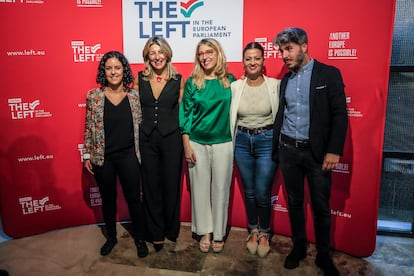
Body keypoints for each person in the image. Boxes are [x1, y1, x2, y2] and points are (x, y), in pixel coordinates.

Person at [272, 28, 348, 275]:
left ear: (304, 46)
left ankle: (324, 255)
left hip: (317, 155)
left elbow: (339, 115)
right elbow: (282, 115)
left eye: (289, 49)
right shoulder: (286, 80)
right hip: (289, 151)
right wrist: (278, 150)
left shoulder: (329, 74)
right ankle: (299, 247)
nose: (284, 55)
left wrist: (334, 151)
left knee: (320, 205)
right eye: (282, 50)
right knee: (294, 203)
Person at [83, 51, 148, 258]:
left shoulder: (134, 97)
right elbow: (87, 127)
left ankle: (139, 238)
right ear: (104, 71)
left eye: (117, 68)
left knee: (134, 199)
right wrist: (87, 154)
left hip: (129, 155)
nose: (113, 72)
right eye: (109, 68)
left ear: (124, 70)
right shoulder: (94, 96)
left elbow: (140, 127)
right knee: (108, 199)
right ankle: (111, 237)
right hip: (104, 158)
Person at [179, 38, 235, 253]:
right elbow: (185, 115)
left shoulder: (230, 81)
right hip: (197, 142)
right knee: (200, 190)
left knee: (221, 189)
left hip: (224, 142)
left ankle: (219, 233)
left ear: (218, 53)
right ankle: (205, 231)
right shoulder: (193, 82)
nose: (205, 57)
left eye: (209, 52)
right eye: (201, 53)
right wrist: (187, 145)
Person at [133, 36, 184, 252]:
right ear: (147, 56)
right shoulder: (139, 79)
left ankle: (171, 229)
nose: (156, 57)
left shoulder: (178, 79)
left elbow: (182, 112)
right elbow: (135, 111)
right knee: (151, 186)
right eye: (152, 53)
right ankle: (155, 232)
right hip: (147, 139)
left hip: (171, 138)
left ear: (167, 54)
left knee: (171, 185)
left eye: (160, 52)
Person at [230, 42, 280, 257]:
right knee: (249, 191)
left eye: (257, 58)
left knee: (262, 191)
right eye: (248, 58)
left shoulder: (275, 85)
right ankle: (253, 229)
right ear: (243, 62)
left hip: (266, 140)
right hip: (241, 141)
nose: (252, 62)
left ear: (263, 61)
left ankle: (265, 232)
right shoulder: (235, 87)